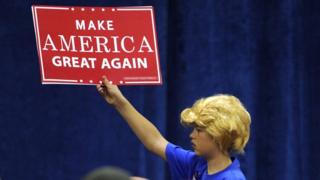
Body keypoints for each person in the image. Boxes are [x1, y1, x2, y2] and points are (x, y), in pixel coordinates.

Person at [96, 76, 251, 180]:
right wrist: (119, 102)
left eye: (199, 129)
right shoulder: (196, 163)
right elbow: (154, 141)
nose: (192, 135)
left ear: (218, 135)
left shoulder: (232, 178)